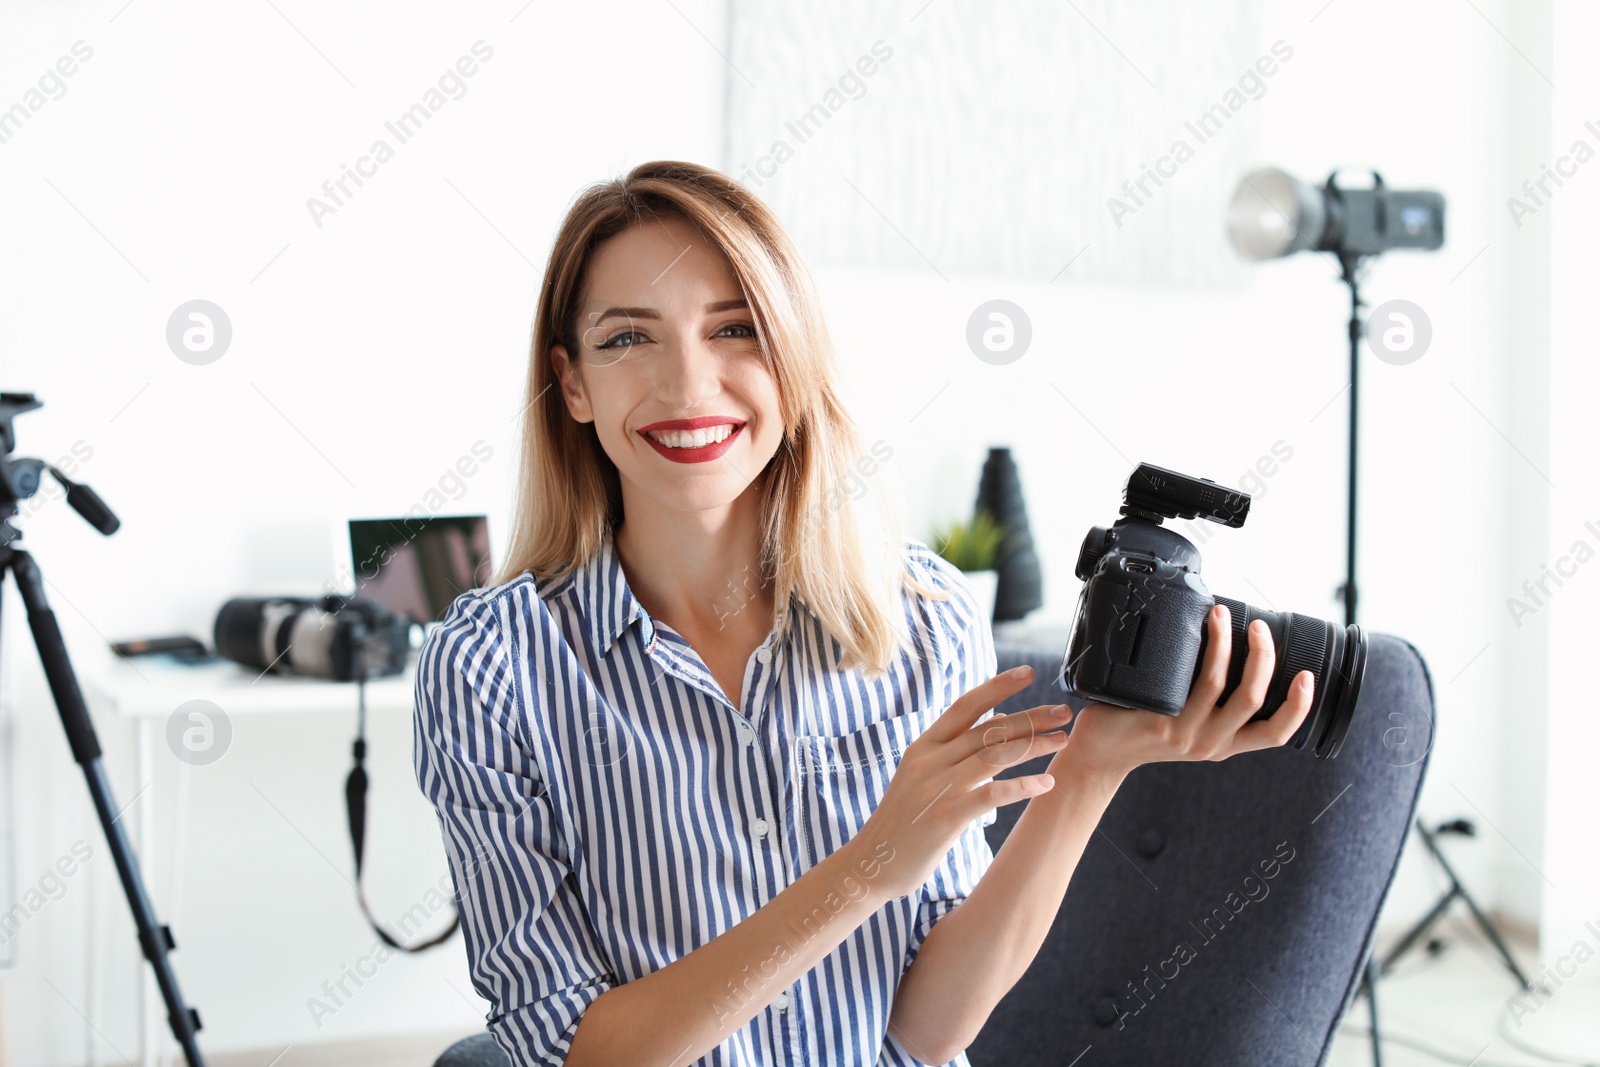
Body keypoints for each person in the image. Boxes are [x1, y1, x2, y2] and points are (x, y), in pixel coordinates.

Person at [412, 160, 1316, 1067]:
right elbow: (573, 1053)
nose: (688, 386)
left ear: (794, 357)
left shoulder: (924, 617)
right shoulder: (492, 668)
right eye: (626, 340)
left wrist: (1087, 771)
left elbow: (925, 1030)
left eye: (735, 329)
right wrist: (867, 868)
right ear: (572, 385)